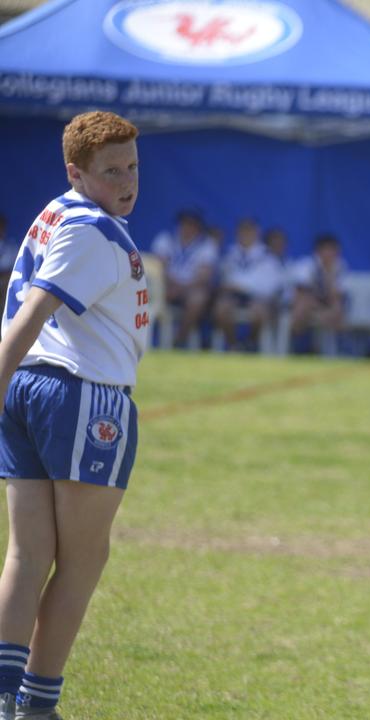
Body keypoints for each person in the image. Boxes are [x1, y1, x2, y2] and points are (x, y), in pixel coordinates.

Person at [0, 111, 148, 719]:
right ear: (76, 172)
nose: (127, 180)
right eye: (111, 170)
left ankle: (7, 698)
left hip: (31, 388)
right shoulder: (92, 229)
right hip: (82, 395)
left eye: (133, 166)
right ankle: (37, 704)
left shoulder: (60, 211)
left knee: (27, 552)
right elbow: (33, 311)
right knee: (84, 558)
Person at [150, 208, 217, 348]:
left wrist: (181, 288)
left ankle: (180, 339)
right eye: (185, 223)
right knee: (148, 295)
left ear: (198, 227)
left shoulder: (207, 245)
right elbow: (158, 268)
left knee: (198, 299)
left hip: (190, 289)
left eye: (192, 224)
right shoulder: (165, 239)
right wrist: (171, 285)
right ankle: (144, 338)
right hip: (168, 286)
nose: (187, 227)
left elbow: (204, 275)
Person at [212, 217, 273, 351]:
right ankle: (233, 345)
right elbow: (224, 278)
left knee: (260, 311)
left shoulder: (267, 255)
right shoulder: (230, 254)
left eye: (249, 232)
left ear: (256, 233)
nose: (245, 235)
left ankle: (251, 343)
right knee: (221, 309)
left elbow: (268, 285)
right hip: (233, 295)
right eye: (242, 232)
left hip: (257, 296)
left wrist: (243, 286)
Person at [288, 233, 346, 353]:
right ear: (318, 251)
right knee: (305, 303)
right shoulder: (306, 265)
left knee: (337, 309)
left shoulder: (339, 266)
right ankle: (292, 346)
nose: (331, 254)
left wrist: (330, 275)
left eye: (334, 251)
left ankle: (322, 350)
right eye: (327, 250)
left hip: (324, 306)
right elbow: (300, 293)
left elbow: (335, 296)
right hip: (302, 303)